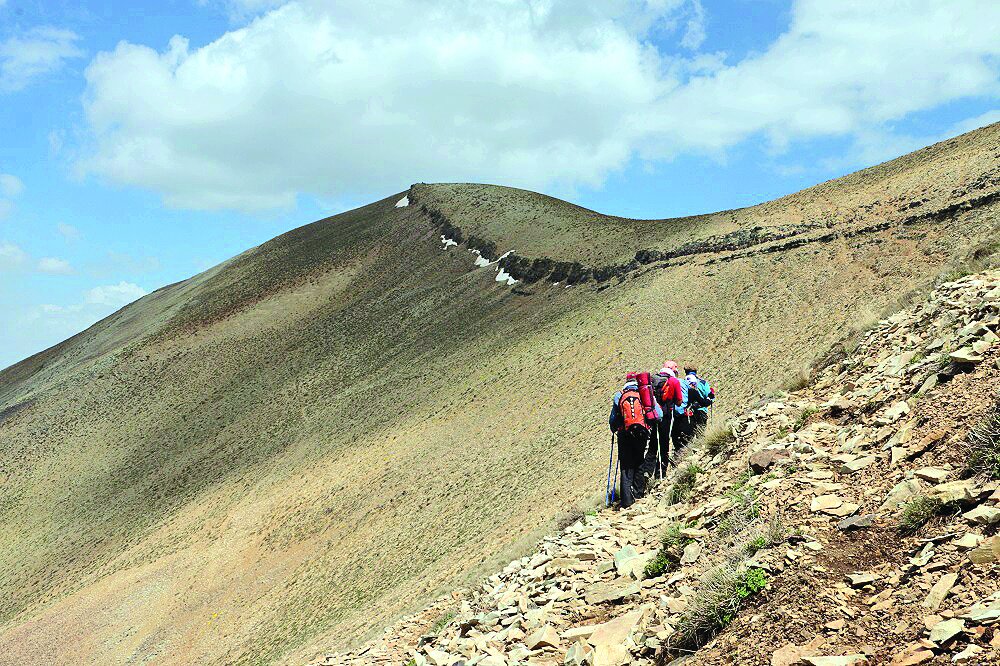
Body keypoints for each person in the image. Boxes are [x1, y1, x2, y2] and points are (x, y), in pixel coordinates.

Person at [609, 376, 653, 508]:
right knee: (639, 461)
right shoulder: (643, 394)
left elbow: (613, 419)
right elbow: (657, 413)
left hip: (625, 434)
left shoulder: (619, 396)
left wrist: (614, 429)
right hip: (641, 433)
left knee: (626, 466)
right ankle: (639, 494)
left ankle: (627, 501)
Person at [642, 361, 682, 479]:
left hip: (652, 416)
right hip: (666, 416)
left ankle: (646, 470)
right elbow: (679, 402)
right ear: (671, 369)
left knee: (653, 444)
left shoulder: (653, 379)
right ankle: (660, 475)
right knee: (664, 445)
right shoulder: (674, 381)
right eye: (675, 368)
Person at [686, 367, 715, 436]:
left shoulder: (683, 383)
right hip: (701, 410)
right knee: (700, 433)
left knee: (690, 434)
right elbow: (711, 397)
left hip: (688, 412)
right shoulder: (703, 383)